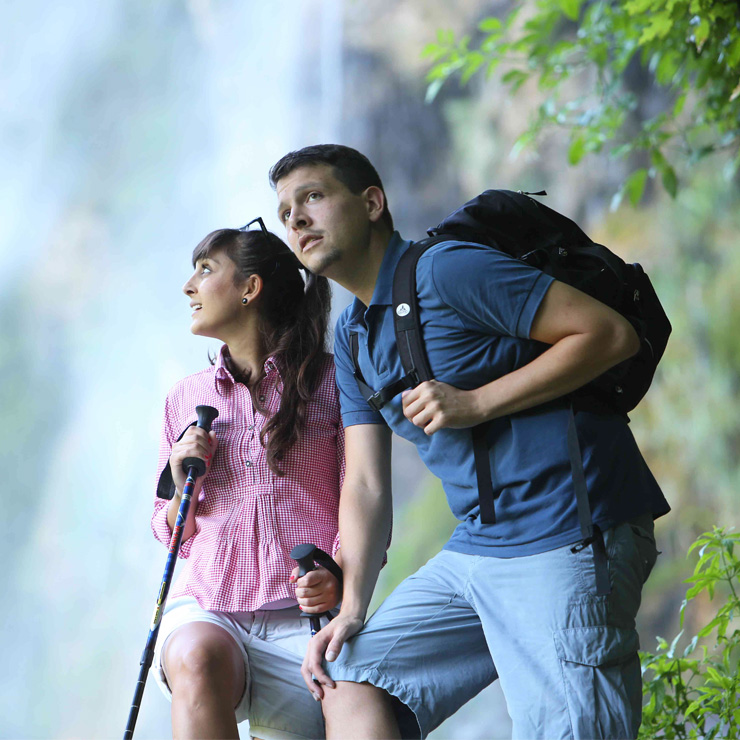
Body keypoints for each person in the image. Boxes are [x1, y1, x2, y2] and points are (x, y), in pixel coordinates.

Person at [270, 144, 670, 740]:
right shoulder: (352, 336)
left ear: (372, 202)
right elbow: (365, 482)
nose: (296, 219)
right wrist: (353, 605)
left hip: (567, 529)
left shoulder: (448, 270)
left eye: (313, 197)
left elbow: (610, 335)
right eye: (284, 213)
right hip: (479, 548)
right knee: (350, 676)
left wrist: (476, 401)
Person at [149, 222, 345, 740]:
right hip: (210, 607)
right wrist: (178, 477)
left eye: (206, 270)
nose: (189, 286)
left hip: (304, 618)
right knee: (193, 656)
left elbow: (362, 494)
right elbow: (171, 530)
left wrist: (340, 573)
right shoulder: (183, 399)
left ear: (249, 288)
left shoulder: (331, 382)